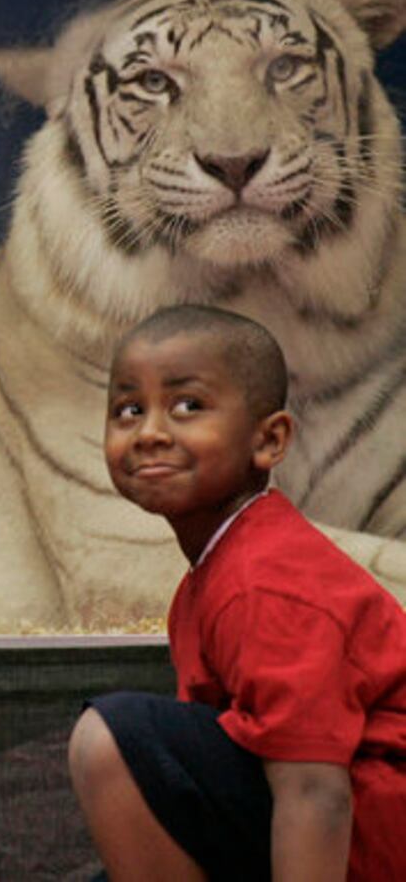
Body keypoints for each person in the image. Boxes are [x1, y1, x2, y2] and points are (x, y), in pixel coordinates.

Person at [68, 304, 406, 881]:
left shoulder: (266, 581)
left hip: (370, 835)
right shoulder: (214, 574)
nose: (149, 433)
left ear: (269, 440)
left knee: (113, 740)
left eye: (187, 406)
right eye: (128, 409)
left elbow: (315, 790)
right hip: (323, 826)